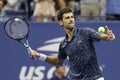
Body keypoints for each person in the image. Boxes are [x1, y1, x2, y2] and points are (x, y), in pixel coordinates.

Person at [29, 8, 115, 80]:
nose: (71, 19)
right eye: (67, 18)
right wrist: (39, 56)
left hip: (95, 78)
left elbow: (104, 37)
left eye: (72, 17)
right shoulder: (63, 44)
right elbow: (59, 61)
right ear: (60, 22)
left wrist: (110, 36)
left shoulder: (86, 32)